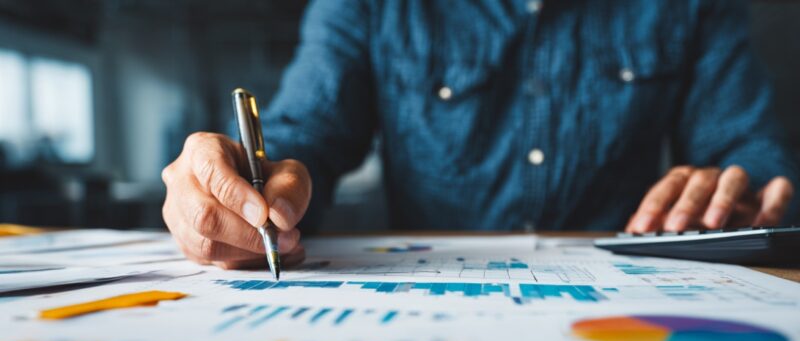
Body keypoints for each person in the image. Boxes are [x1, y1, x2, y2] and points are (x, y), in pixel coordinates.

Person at [162, 0, 797, 269]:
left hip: (630, 306)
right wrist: (245, 184)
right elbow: (308, 134)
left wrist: (740, 195)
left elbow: (754, 152)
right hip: (428, 312)